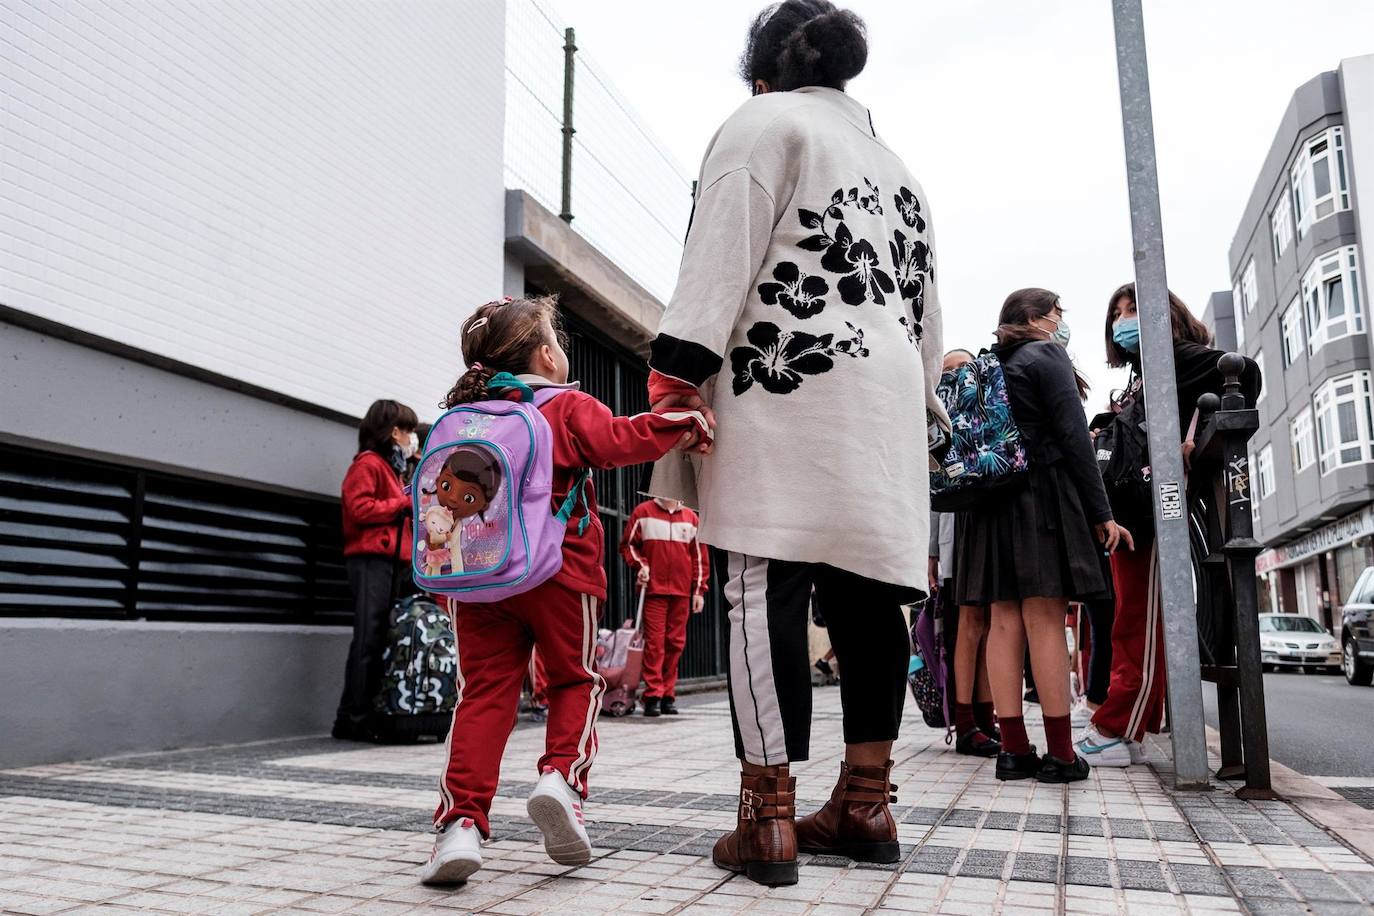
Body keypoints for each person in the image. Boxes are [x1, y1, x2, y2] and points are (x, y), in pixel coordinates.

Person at [645, 0, 947, 886]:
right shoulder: (902, 173)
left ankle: (768, 816)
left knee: (761, 586)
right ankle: (866, 801)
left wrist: (675, 376)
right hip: (886, 407)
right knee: (869, 603)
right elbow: (925, 324)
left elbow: (717, 259)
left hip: (784, 392)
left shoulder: (760, 123)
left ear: (763, 70)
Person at [422, 296, 708, 886]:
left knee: (482, 696)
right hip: (560, 571)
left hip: (477, 580)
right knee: (576, 679)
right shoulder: (565, 406)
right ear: (548, 355)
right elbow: (620, 441)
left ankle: (461, 827)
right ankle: (560, 780)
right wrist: (683, 422)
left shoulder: (466, 418)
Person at [1075, 284, 1259, 767]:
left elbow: (1244, 373)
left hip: (1155, 505)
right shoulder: (1144, 371)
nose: (1123, 320)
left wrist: (1193, 436)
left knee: (1137, 616)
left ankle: (1117, 726)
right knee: (1132, 615)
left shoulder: (1177, 356)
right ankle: (1128, 726)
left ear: (1163, 311)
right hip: (1136, 506)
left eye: (1133, 309)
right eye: (1117, 313)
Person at [956, 288, 1132, 784]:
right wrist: (1101, 512)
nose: (1060, 322)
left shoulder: (991, 362)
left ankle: (1013, 750)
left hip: (989, 506)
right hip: (1038, 499)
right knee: (1045, 619)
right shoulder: (1046, 353)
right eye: (1057, 313)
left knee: (1003, 621)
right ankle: (1059, 753)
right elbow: (1075, 435)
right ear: (1035, 318)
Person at [333, 399, 419, 742]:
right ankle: (353, 717)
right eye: (407, 431)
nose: (410, 438)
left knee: (380, 639)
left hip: (391, 561)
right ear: (393, 431)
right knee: (368, 639)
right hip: (371, 560)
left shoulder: (391, 468)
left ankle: (360, 714)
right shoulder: (368, 464)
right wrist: (402, 502)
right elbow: (359, 508)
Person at [930, 350, 1000, 757]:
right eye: (948, 369)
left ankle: (987, 717)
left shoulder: (985, 407)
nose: (956, 375)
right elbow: (932, 489)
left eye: (962, 367)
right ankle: (966, 721)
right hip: (955, 543)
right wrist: (932, 555)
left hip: (987, 534)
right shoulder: (937, 417)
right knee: (968, 626)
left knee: (992, 626)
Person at [620, 496, 710, 717]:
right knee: (655, 644)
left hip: (681, 592)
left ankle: (668, 694)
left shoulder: (691, 518)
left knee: (675, 644)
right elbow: (628, 546)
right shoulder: (643, 512)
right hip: (653, 591)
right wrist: (641, 566)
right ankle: (653, 695)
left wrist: (698, 590)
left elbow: (699, 557)